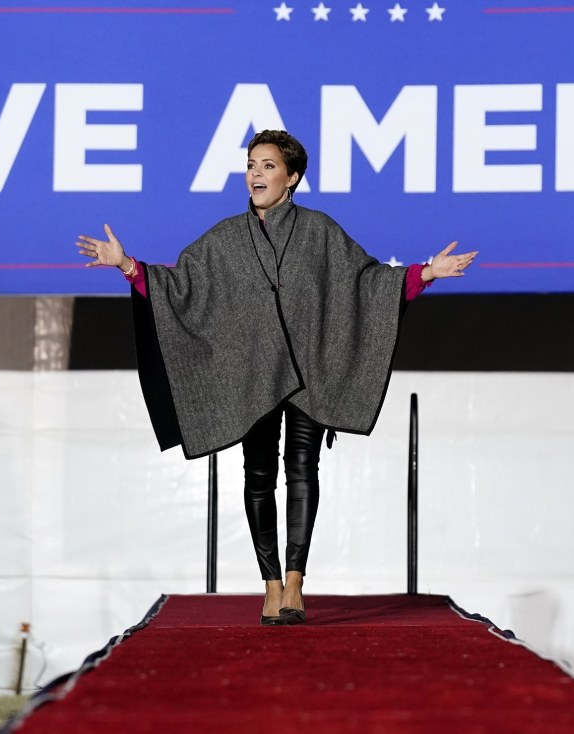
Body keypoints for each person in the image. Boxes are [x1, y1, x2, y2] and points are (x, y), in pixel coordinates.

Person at [76, 130, 476, 625]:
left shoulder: (320, 232)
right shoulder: (224, 239)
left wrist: (425, 274)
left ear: (292, 178)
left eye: (268, 165)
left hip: (311, 370)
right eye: (251, 164)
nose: (256, 174)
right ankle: (268, 583)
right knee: (258, 476)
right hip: (252, 373)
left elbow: (366, 284)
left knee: (302, 469)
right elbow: (179, 286)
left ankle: (294, 583)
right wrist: (129, 267)